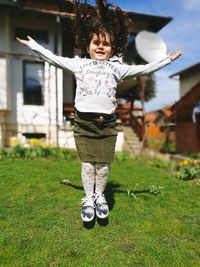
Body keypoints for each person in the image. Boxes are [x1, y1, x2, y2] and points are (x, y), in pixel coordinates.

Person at [17, 0, 182, 223]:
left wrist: (166, 60)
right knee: (87, 164)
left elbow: (143, 69)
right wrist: (35, 46)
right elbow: (55, 59)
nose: (101, 47)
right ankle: (87, 198)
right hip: (84, 123)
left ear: (112, 48)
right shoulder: (79, 64)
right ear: (88, 47)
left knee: (103, 166)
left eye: (105, 44)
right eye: (96, 42)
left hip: (107, 124)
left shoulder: (117, 68)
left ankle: (99, 196)